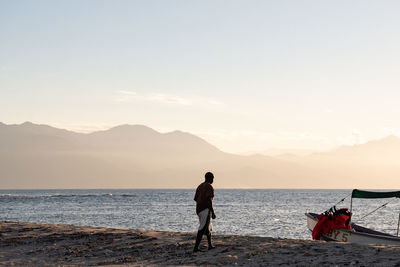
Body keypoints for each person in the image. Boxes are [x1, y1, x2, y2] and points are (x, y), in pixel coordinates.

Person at [193, 171, 216, 252]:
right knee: (202, 228)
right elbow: (209, 199)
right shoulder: (209, 186)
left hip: (199, 209)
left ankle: (210, 245)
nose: (213, 180)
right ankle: (195, 248)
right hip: (205, 209)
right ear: (210, 178)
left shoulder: (200, 186)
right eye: (212, 178)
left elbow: (195, 198)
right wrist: (212, 212)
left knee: (207, 227)